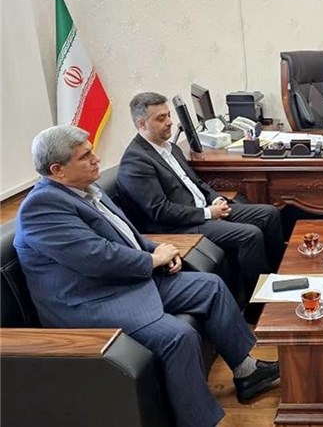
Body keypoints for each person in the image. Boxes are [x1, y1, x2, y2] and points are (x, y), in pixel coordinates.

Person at [14, 126, 279, 427]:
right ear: (57, 170)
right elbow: (97, 257)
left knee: (211, 287)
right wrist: (152, 260)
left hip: (122, 282)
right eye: (85, 156)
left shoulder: (86, 190)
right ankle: (199, 421)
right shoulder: (42, 207)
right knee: (178, 336)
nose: (96, 158)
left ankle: (247, 372)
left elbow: (127, 235)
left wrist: (159, 250)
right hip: (90, 300)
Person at [117, 92, 285, 304]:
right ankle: (260, 304)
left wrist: (215, 199)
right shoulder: (136, 161)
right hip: (178, 225)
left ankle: (279, 276)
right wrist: (207, 213)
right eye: (161, 118)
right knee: (249, 235)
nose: (169, 122)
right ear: (142, 124)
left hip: (204, 209)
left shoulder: (171, 148)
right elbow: (160, 211)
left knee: (269, 214)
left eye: (168, 115)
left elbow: (196, 183)